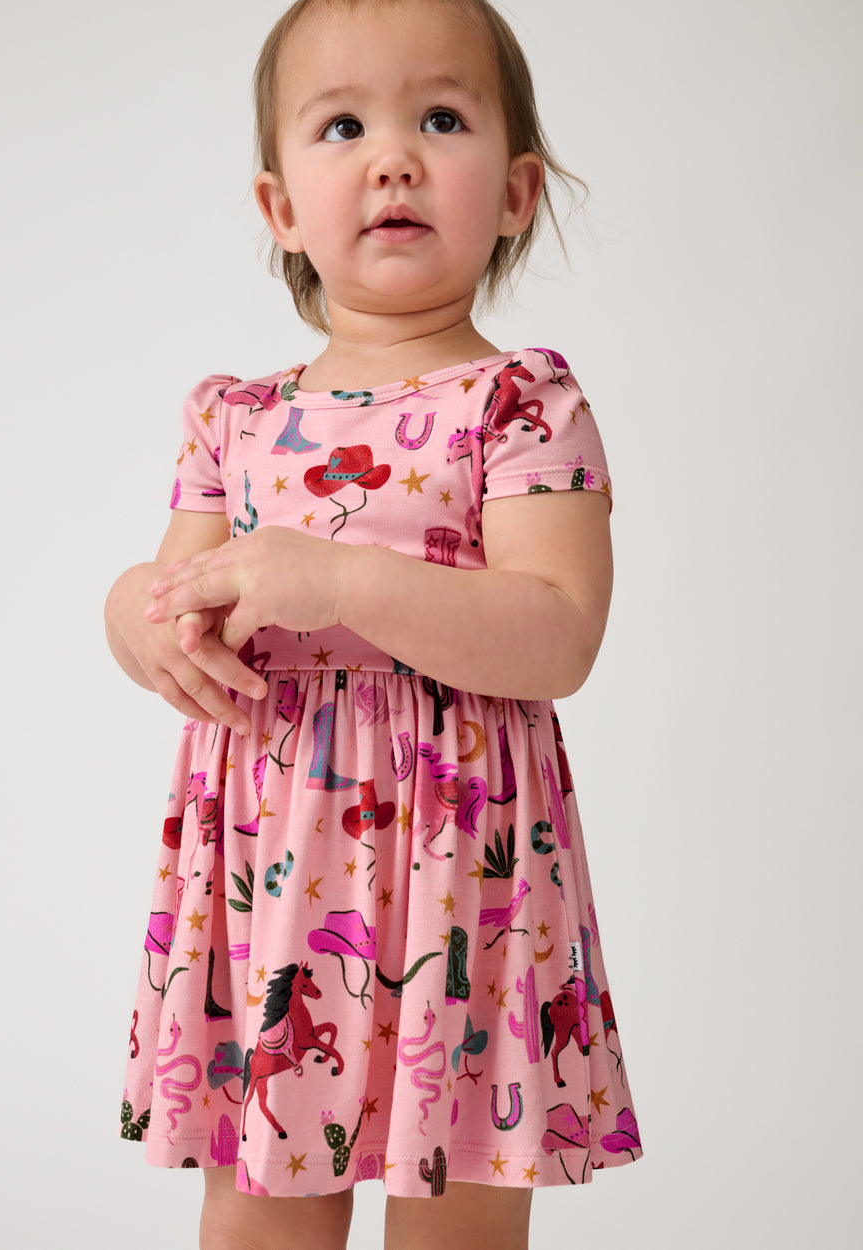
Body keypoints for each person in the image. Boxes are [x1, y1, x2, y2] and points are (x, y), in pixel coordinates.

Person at [105, 1, 642, 1246]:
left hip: (467, 878)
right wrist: (135, 612)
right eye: (342, 126)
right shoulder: (233, 419)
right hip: (269, 873)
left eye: (439, 118)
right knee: (259, 1210)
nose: (393, 156)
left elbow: (559, 631)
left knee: (456, 1211)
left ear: (514, 192)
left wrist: (340, 583)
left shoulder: (520, 402)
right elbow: (171, 596)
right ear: (281, 207)